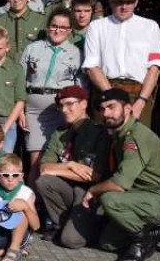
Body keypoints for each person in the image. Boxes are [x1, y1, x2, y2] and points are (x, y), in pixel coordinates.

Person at [83, 89, 160, 261]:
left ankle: (142, 242)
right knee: (107, 243)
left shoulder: (134, 138)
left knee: (110, 198)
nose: (106, 113)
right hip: (140, 195)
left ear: (128, 109)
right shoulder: (120, 134)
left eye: (111, 107)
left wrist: (92, 191)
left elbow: (119, 184)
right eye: (102, 109)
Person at [34, 86, 110, 249]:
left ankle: (95, 226)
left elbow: (94, 175)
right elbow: (44, 168)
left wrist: (57, 169)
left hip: (89, 193)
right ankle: (63, 224)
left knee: (71, 241)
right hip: (68, 189)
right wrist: (70, 164)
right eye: (61, 105)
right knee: (44, 181)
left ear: (84, 104)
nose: (64, 110)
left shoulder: (99, 133)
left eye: (70, 104)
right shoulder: (60, 133)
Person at [83, 0, 160, 127]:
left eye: (129, 2)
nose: (124, 6)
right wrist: (112, 98)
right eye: (119, 2)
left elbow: (155, 68)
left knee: (136, 145)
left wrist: (142, 101)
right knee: (102, 144)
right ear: (110, 2)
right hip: (105, 92)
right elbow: (91, 66)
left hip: (138, 95)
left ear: (137, 1)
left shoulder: (150, 27)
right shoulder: (97, 27)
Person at [20, 8, 82, 181]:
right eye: (54, 26)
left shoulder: (76, 53)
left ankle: (49, 200)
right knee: (35, 158)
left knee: (57, 156)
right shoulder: (33, 48)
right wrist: (19, 110)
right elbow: (19, 81)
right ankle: (32, 201)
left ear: (70, 30)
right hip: (33, 108)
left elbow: (81, 86)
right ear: (47, 27)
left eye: (63, 27)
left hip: (62, 109)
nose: (57, 30)